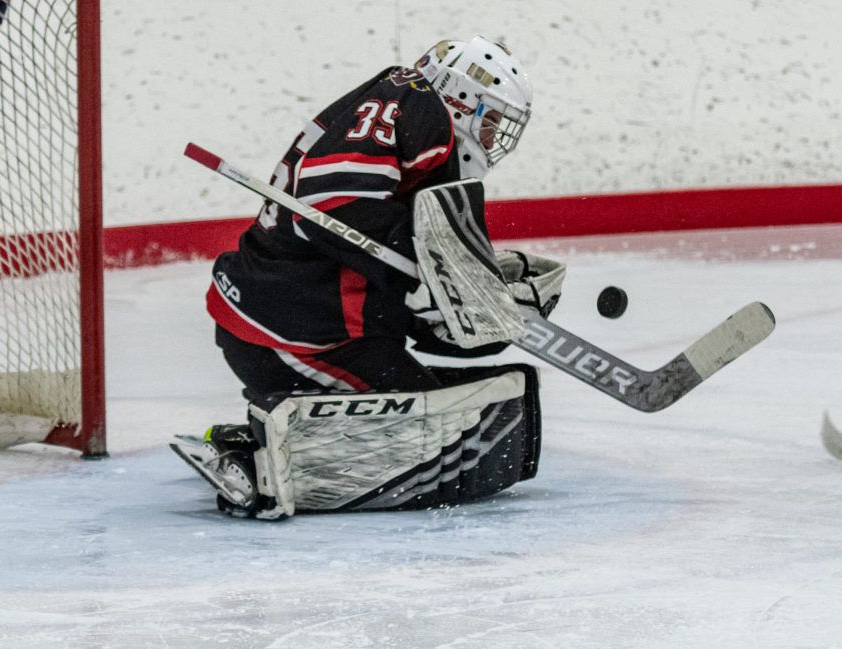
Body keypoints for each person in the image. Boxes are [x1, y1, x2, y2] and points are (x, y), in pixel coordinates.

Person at [175, 36, 563, 518]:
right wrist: (437, 274)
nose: (491, 139)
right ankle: (258, 460)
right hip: (293, 335)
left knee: (477, 413)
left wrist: (466, 300)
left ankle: (261, 433)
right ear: (463, 101)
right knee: (441, 432)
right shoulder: (423, 109)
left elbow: (370, 247)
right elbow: (330, 204)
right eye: (491, 123)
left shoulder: (403, 107)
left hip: (305, 321)